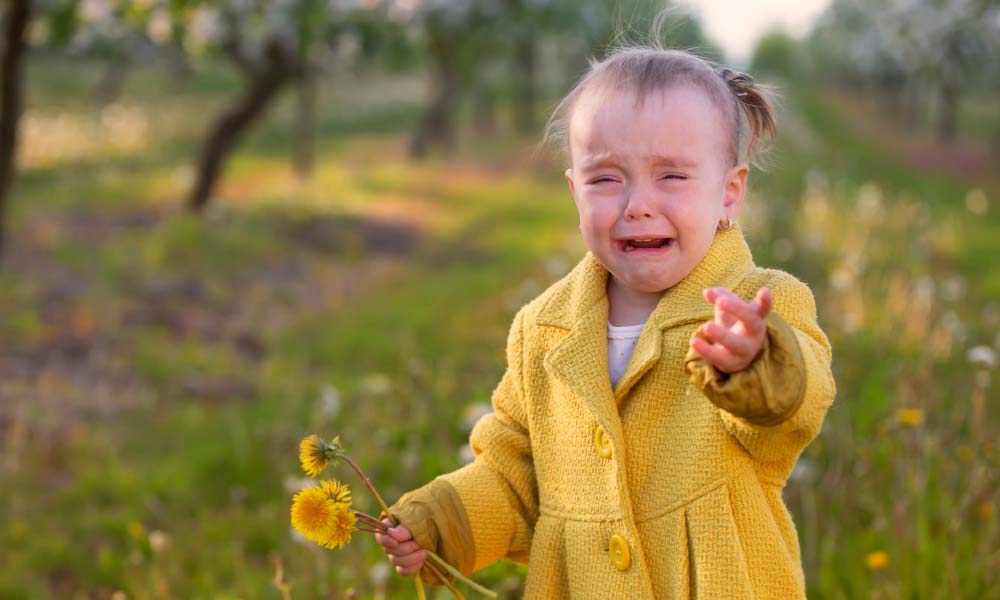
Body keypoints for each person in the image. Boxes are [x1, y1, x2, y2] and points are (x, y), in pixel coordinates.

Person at [376, 45, 836, 598]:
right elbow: (515, 476)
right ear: (575, 192)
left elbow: (797, 410)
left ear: (729, 195)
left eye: (672, 176)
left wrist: (756, 363)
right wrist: (440, 522)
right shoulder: (544, 330)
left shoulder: (758, 308)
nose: (638, 204)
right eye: (606, 180)